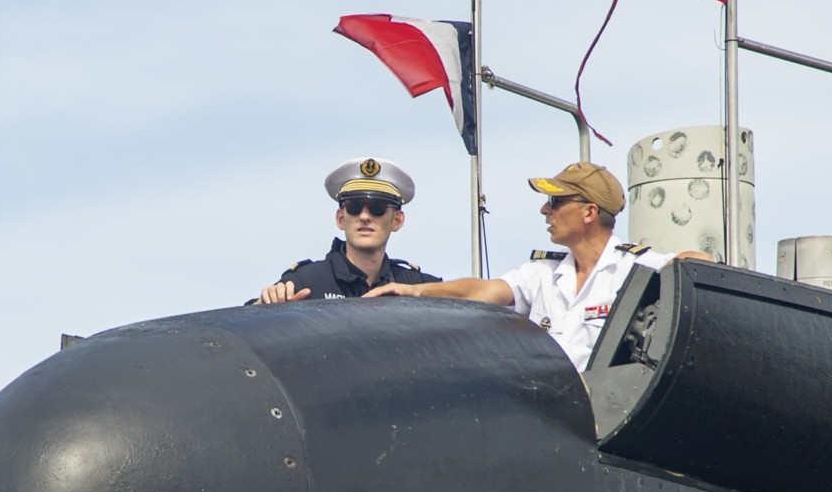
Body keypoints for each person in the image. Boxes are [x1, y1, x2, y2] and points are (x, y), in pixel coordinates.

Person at [364, 161, 709, 369]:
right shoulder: (542, 275)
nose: (545, 211)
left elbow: (698, 267)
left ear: (589, 212)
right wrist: (415, 290)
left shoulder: (635, 268)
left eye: (555, 202)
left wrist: (687, 264)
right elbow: (485, 291)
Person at [256, 158, 439, 303]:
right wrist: (265, 303)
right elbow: (248, 325)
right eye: (354, 207)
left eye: (377, 208)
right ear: (341, 218)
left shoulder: (414, 284)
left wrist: (418, 291)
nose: (365, 216)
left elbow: (467, 296)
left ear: (397, 220)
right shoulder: (307, 282)